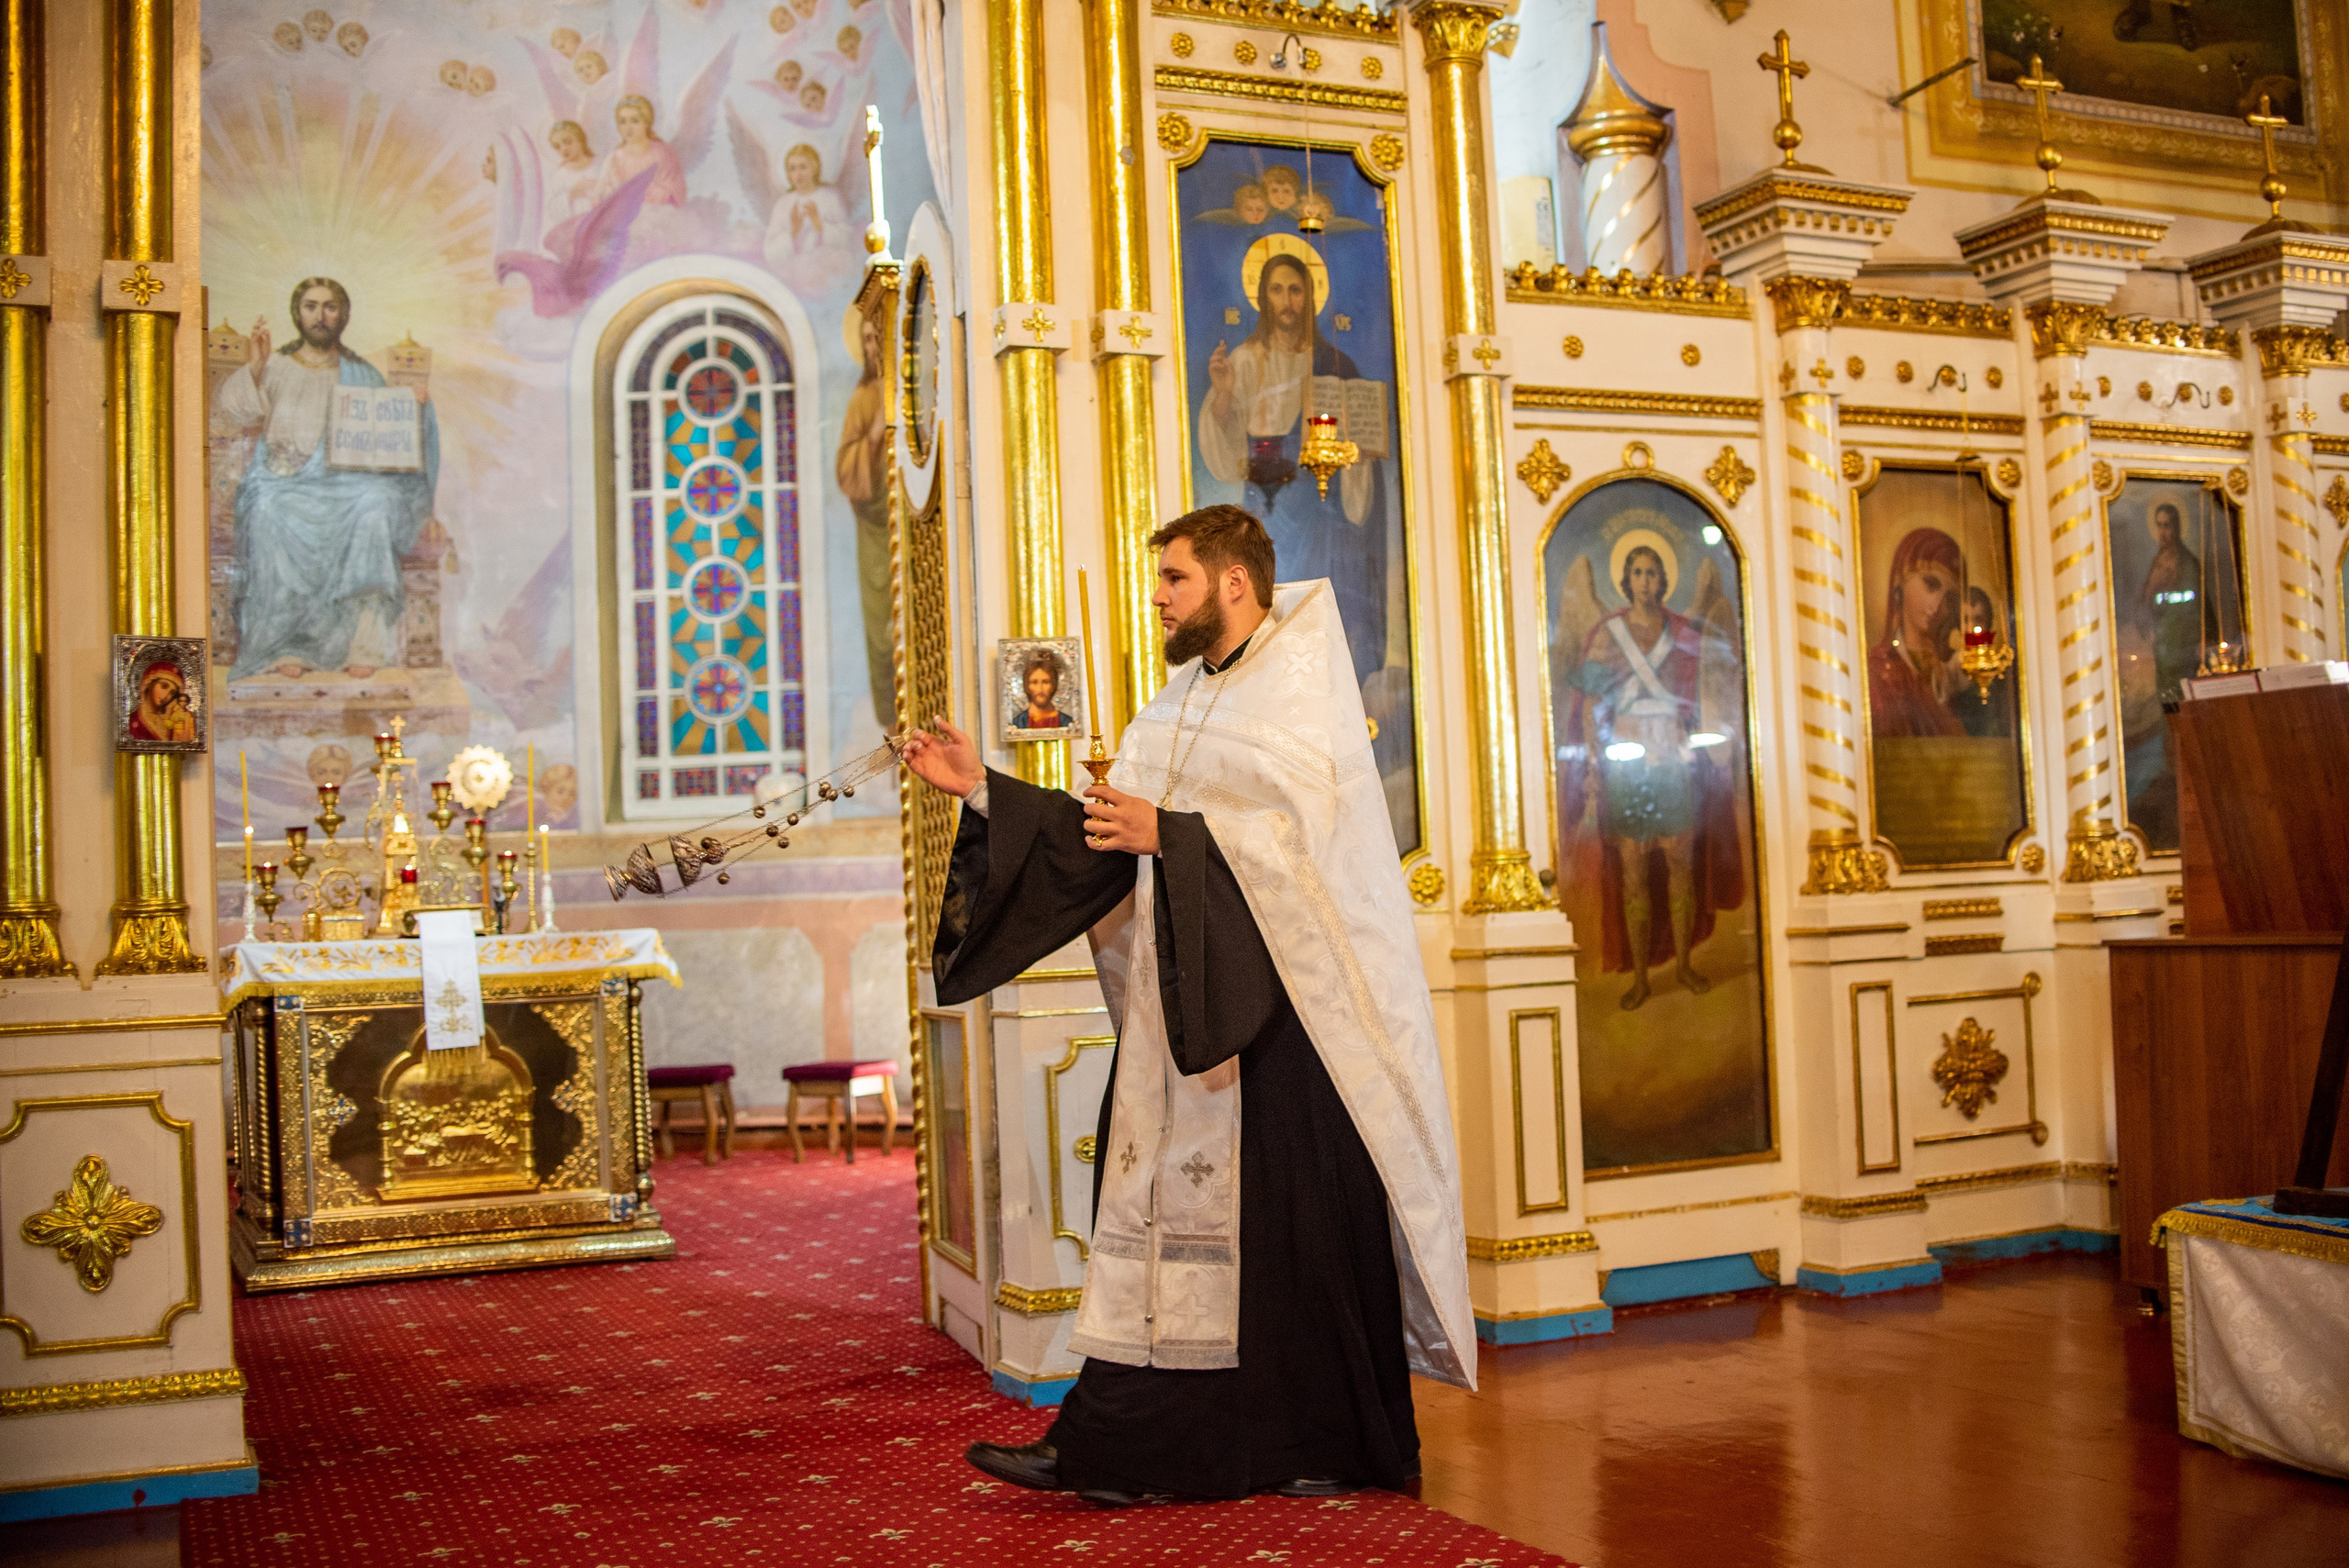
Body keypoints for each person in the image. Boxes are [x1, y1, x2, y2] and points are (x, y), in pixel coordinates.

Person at [899, 505, 1472, 1506]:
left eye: (1173, 579)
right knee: (1157, 1226)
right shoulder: (1171, 707)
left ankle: (1310, 1444)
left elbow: (1311, 861)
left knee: (1284, 1244)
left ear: (1233, 582)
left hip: (1288, 1028)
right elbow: (1103, 842)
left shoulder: (1298, 702)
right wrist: (984, 791)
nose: (1157, 597)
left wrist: (1178, 831)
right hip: (1186, 1016)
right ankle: (1123, 1447)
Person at [216, 277, 440, 681]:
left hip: (345, 485)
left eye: (330, 307)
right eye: (311, 306)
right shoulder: (277, 366)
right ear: (297, 314)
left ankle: (363, 645)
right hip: (284, 481)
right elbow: (236, 410)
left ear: (343, 315)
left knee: (374, 504)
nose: (321, 316)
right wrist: (256, 365)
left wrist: (416, 408)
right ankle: (286, 643)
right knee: (267, 510)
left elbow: (391, 436)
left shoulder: (361, 373)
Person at [1562, 544, 1742, 1010]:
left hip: (1672, 762)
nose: (1645, 581)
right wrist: (1594, 766)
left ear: (1664, 581)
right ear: (1627, 580)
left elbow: (1707, 698)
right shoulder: (1607, 634)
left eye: (1653, 573)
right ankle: (1641, 977)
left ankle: (1682, 965)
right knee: (1635, 872)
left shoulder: (1682, 631)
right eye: (1637, 572)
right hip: (1627, 764)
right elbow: (1588, 707)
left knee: (1681, 868)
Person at [1197, 250, 1386, 683]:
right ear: (1263, 297)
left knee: (1318, 600)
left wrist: (1359, 451)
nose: (1287, 301)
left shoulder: (1336, 365)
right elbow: (1223, 442)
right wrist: (1224, 393)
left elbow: (1360, 437)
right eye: (1277, 290)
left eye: (1296, 290)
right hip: (1268, 500)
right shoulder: (1244, 360)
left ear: (1311, 298)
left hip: (1319, 502)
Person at [835, 312, 896, 728]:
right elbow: (847, 470)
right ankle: (891, 719)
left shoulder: (905, 388)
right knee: (881, 628)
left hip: (908, 519)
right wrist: (874, 436)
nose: (873, 347)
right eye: (867, 340)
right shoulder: (863, 398)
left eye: (879, 338)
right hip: (875, 527)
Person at [1865, 526, 1965, 738]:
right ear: (1900, 582)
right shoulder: (1879, 670)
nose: (1937, 606)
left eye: (1949, 597)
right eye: (1931, 585)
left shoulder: (1955, 673)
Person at [595, 95, 686, 207]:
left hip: (657, 214)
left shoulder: (661, 152)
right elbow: (600, 195)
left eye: (634, 121)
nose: (628, 128)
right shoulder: (614, 158)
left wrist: (654, 193)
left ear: (647, 122)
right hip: (624, 215)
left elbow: (676, 188)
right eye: (623, 121)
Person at [126, 660, 195, 744]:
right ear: (149, 683)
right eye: (164, 686)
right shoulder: (131, 721)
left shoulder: (173, 721)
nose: (166, 696)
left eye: (172, 693)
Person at [1016, 653, 1075, 731]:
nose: (1040, 689)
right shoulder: (1018, 723)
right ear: (1027, 686)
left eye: (1045, 682)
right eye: (1034, 682)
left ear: (1053, 685)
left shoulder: (1066, 722)